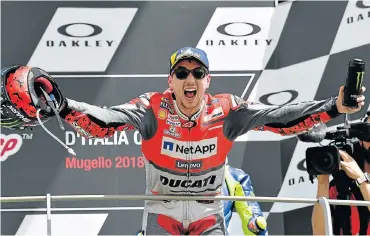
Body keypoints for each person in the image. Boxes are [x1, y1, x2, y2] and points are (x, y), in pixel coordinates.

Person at [0, 47, 366, 235]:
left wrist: (333, 107)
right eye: (181, 72)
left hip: (209, 212)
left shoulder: (228, 109)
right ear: (171, 79)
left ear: (208, 80)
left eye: (197, 73)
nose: (189, 79)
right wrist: (63, 107)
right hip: (164, 212)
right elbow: (105, 122)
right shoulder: (151, 108)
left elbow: (281, 119)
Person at [312, 112, 370, 235]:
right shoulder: (340, 185)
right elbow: (319, 233)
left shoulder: (359, 178)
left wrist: (361, 179)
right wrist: (323, 182)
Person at [222, 164, 268, 235]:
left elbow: (249, 212)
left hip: (217, 232)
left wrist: (255, 225)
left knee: (256, 224)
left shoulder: (234, 176)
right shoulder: (234, 175)